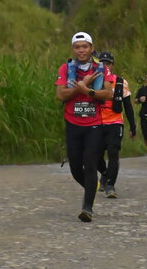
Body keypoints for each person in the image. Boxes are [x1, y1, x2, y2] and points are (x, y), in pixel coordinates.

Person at [55, 32, 114, 222]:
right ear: (73, 49)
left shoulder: (101, 68)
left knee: (90, 163)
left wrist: (87, 90)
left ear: (91, 48)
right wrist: (80, 86)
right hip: (72, 123)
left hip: (94, 125)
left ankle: (87, 208)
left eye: (85, 46)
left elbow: (108, 94)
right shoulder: (66, 68)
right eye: (77, 47)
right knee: (75, 168)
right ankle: (92, 187)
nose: (81, 50)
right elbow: (61, 95)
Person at [96, 51, 137, 198]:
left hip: (115, 122)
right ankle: (105, 173)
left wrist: (133, 126)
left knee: (113, 153)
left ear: (112, 65)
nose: (105, 66)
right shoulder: (92, 81)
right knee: (95, 155)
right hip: (96, 122)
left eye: (107, 63)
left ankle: (110, 185)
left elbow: (128, 106)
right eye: (102, 63)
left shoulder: (120, 82)